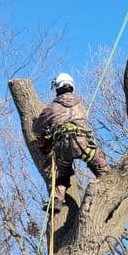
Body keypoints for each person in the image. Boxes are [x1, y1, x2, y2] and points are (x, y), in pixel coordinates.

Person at [34, 73, 110, 211]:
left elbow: (36, 128)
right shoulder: (80, 103)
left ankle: (57, 200)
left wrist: (44, 131)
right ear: (71, 86)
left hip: (62, 147)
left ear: (57, 88)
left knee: (62, 175)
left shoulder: (51, 108)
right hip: (83, 144)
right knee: (103, 170)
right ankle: (109, 191)